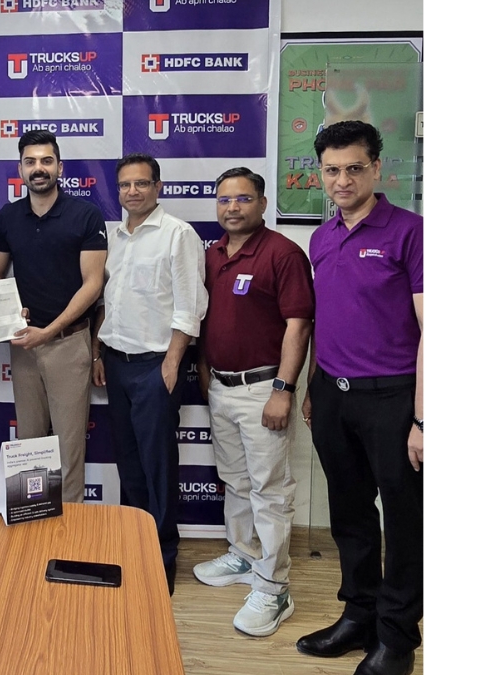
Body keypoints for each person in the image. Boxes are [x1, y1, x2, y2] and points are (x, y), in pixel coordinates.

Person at [297, 120, 423, 675]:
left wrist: (424, 419)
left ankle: (397, 640)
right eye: (332, 170)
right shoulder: (321, 238)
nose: (342, 180)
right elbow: (325, 318)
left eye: (354, 168)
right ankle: (359, 616)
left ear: (376, 168)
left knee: (404, 521)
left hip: (393, 398)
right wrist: (312, 385)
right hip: (333, 394)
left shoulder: (411, 232)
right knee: (349, 515)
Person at [191, 168, 314, 635]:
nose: (232, 207)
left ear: (262, 203)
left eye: (243, 198)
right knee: (237, 481)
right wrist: (206, 372)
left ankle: (274, 588)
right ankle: (244, 556)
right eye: (224, 199)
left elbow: (299, 326)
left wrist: (284, 389)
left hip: (265, 388)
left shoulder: (283, 253)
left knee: (270, 490)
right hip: (222, 387)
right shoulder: (212, 254)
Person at [90, 153, 207, 596]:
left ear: (158, 187)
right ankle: (133, 545)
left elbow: (190, 305)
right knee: (129, 463)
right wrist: (98, 351)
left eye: (141, 183)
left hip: (156, 366)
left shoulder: (178, 235)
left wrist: (172, 363)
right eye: (125, 185)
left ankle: (161, 559)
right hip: (116, 363)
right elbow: (109, 301)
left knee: (157, 466)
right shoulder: (113, 237)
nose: (132, 191)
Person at [0, 129, 106, 504]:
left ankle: (70, 527)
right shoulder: (7, 217)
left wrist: (49, 330)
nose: (39, 168)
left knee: (69, 448)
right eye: (30, 161)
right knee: (30, 445)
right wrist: (6, 313)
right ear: (20, 168)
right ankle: (31, 521)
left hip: (68, 343)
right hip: (24, 345)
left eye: (46, 161)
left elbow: (93, 284)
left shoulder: (85, 215)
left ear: (60, 167)